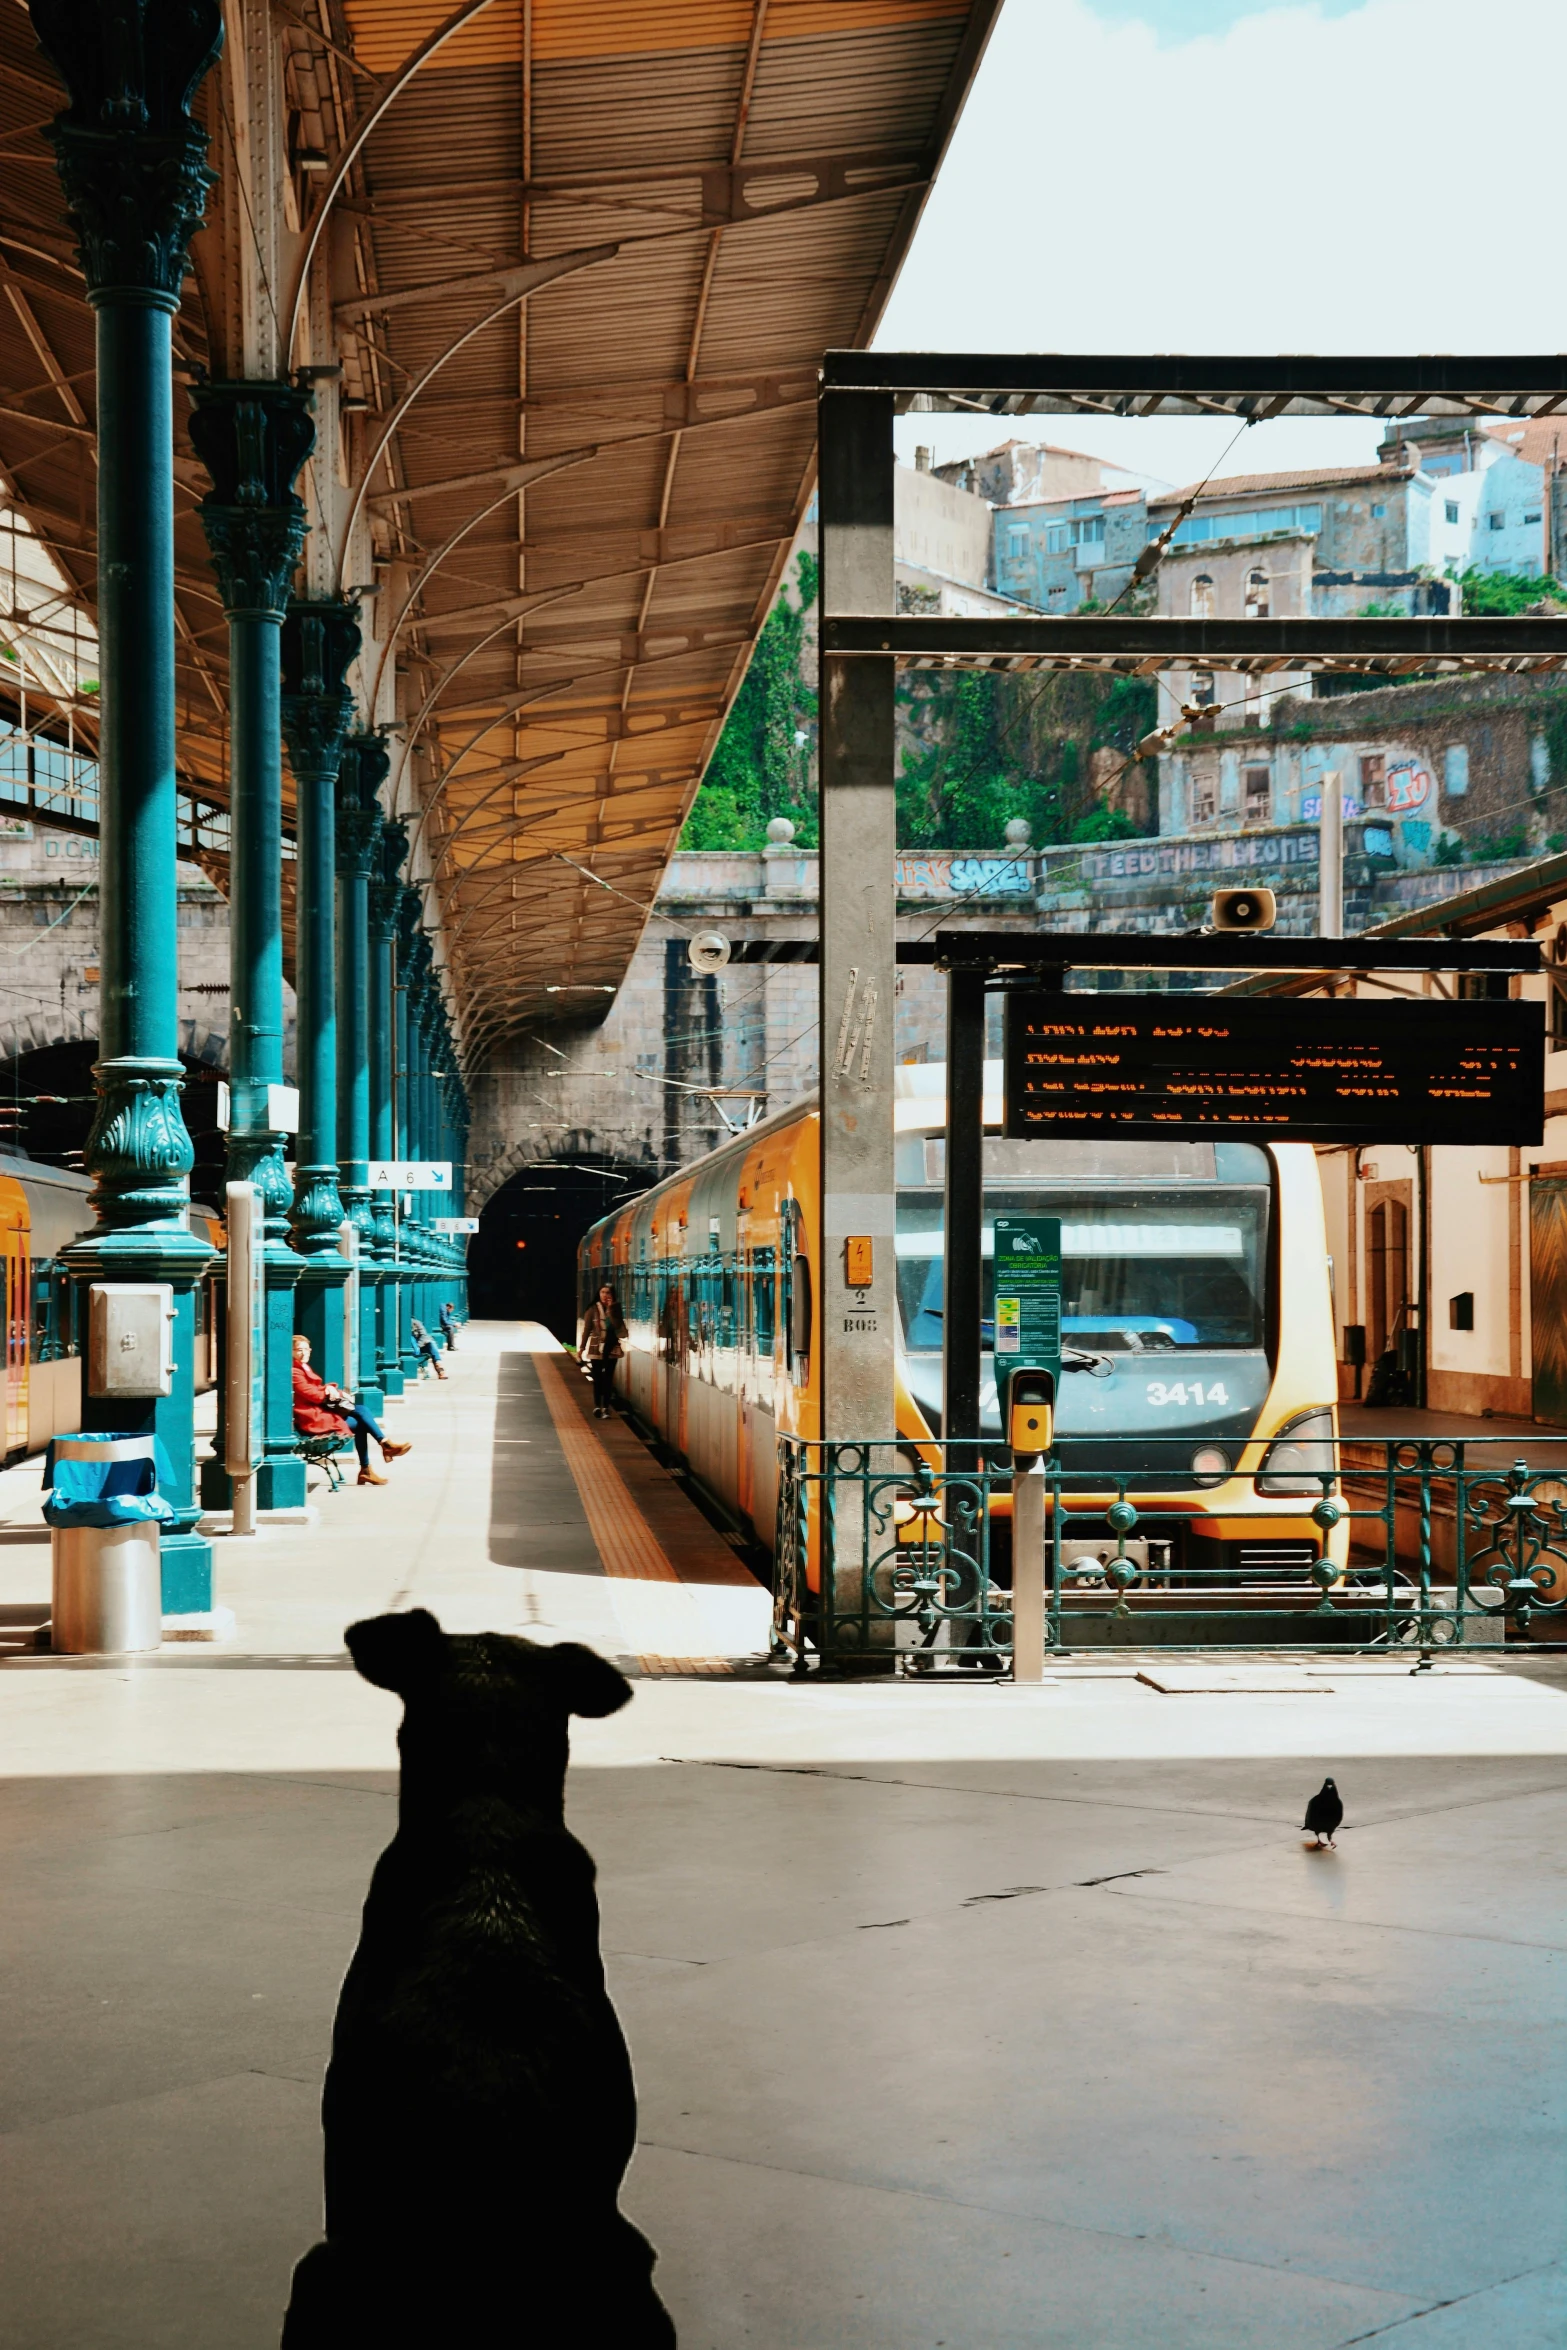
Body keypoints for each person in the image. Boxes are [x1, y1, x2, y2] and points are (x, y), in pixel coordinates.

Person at [292, 1336, 411, 1488]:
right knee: (362, 1418)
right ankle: (378, 1454)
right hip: (311, 1419)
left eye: (306, 1349)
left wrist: (330, 1388)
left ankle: (378, 1455)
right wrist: (333, 1390)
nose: (303, 1353)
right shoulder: (295, 1371)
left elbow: (315, 1391)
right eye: (298, 1350)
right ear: (292, 1352)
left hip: (318, 1413)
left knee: (362, 1412)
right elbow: (313, 1395)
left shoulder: (302, 1367)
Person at [579, 1282, 625, 1419]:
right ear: (599, 1294)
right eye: (602, 1292)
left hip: (612, 1349)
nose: (605, 1295)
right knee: (598, 1378)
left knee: (608, 1379)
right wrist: (581, 1347)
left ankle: (606, 1408)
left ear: (612, 1295)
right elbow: (587, 1329)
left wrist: (610, 1310)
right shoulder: (592, 1309)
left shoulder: (616, 1309)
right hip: (596, 1349)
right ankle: (597, 1406)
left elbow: (618, 1326)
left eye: (608, 1293)